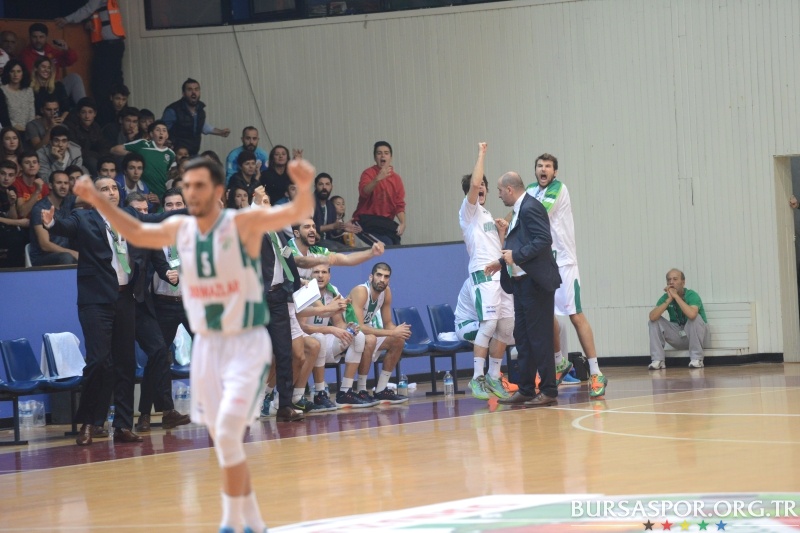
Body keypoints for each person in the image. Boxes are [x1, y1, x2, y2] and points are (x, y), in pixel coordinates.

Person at [70, 155, 315, 533]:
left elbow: (291, 215)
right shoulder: (171, 227)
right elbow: (128, 229)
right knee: (224, 438)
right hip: (199, 339)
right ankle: (240, 515)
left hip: (234, 335)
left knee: (229, 432)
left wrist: (301, 185)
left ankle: (242, 514)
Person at [527, 153, 608, 398]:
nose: (543, 169)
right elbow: (519, 211)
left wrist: (515, 219)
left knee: (575, 315)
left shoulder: (558, 189)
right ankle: (559, 362)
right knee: (546, 315)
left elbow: (537, 212)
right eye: (540, 166)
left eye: (548, 166)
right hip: (543, 263)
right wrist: (505, 224)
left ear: (555, 172)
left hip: (564, 262)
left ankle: (596, 372)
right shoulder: (530, 190)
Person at [486, 172, 561, 407]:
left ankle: (548, 390)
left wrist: (515, 256)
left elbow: (543, 239)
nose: (499, 195)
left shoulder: (530, 207)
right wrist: (501, 262)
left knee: (540, 339)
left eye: (500, 191)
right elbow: (521, 243)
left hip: (535, 283)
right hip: (521, 282)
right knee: (523, 338)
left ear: (509, 189)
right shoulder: (520, 208)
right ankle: (526, 388)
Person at [458, 143, 514, 400]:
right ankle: (477, 377)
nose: (480, 188)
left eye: (484, 186)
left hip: (500, 273)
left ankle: (493, 376)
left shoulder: (488, 214)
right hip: (483, 274)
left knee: (506, 326)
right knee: (489, 323)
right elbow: (474, 183)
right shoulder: (468, 211)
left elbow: (497, 249)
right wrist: (481, 154)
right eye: (477, 185)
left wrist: (501, 233)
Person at [344, 262, 410, 403]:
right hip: (346, 332)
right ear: (371, 277)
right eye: (379, 275)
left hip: (363, 332)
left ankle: (381, 389)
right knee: (370, 339)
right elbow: (360, 327)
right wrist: (392, 332)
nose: (382, 279)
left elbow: (388, 323)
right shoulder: (361, 291)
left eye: (386, 277)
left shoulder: (386, 292)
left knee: (398, 340)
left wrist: (399, 331)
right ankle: (361, 390)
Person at [56, 0, 126, 107]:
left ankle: (104, 114)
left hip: (107, 47)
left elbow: (87, 9)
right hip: (114, 45)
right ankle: (122, 113)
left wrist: (66, 19)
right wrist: (88, 20)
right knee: (115, 82)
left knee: (100, 85)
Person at [648, 268, 709, 369]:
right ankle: (658, 360)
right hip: (679, 336)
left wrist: (676, 297)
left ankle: (697, 359)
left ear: (683, 282)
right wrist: (669, 299)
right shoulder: (666, 297)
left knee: (695, 318)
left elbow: (692, 315)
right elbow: (652, 317)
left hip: (698, 337)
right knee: (654, 321)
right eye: (669, 280)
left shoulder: (691, 295)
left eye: (675, 279)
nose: (671, 282)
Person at [352, 141, 406, 246]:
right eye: (379, 153)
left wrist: (403, 223)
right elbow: (364, 192)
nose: (383, 156)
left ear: (391, 157)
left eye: (386, 153)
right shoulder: (368, 173)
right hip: (364, 222)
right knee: (385, 245)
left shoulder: (396, 179)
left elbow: (399, 205)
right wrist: (377, 179)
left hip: (382, 224)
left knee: (396, 244)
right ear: (375, 157)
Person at [19, 23, 84, 105]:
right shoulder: (25, 54)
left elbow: (71, 60)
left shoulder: (52, 51)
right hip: (38, 92)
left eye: (41, 37)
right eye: (34, 37)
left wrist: (67, 50)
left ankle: (84, 107)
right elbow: (30, 77)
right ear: (30, 37)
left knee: (74, 77)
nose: (38, 40)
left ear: (46, 37)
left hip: (56, 89)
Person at [161, 78, 230, 156]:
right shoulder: (173, 110)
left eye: (196, 89)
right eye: (189, 89)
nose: (193, 92)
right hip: (176, 155)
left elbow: (202, 125)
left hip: (193, 153)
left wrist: (220, 132)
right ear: (183, 93)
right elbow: (162, 131)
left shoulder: (200, 110)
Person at [112, 120, 176, 200]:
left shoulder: (171, 154)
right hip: (141, 193)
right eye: (158, 130)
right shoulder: (143, 144)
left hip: (160, 194)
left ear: (167, 135)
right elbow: (114, 149)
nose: (161, 133)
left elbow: (170, 174)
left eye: (164, 130)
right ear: (151, 134)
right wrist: (133, 155)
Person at [29, 170, 78, 266]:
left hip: (65, 254)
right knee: (66, 257)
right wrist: (72, 252)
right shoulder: (40, 208)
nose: (63, 186)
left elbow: (90, 201)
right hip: (42, 258)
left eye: (66, 183)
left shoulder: (68, 201)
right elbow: (45, 245)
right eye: (59, 183)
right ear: (50, 185)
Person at [0, 160, 28, 267]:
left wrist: (12, 204)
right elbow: (15, 221)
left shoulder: (12, 189)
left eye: (10, 175)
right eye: (3, 174)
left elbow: (12, 218)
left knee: (22, 236)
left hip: (6, 229)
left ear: (15, 178)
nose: (6, 178)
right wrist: (19, 222)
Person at [0, 59, 35, 133]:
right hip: (10, 130)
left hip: (29, 130)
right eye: (12, 71)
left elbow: (31, 113)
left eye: (18, 71)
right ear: (8, 73)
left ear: (23, 73)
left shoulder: (29, 90)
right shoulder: (2, 90)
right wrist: (16, 127)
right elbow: (3, 116)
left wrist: (30, 128)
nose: (15, 75)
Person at [14, 151, 50, 219]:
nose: (32, 165)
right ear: (20, 167)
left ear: (39, 166)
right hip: (21, 224)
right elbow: (22, 213)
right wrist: (37, 191)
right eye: (27, 163)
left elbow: (47, 212)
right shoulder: (16, 183)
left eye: (34, 162)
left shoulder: (44, 186)